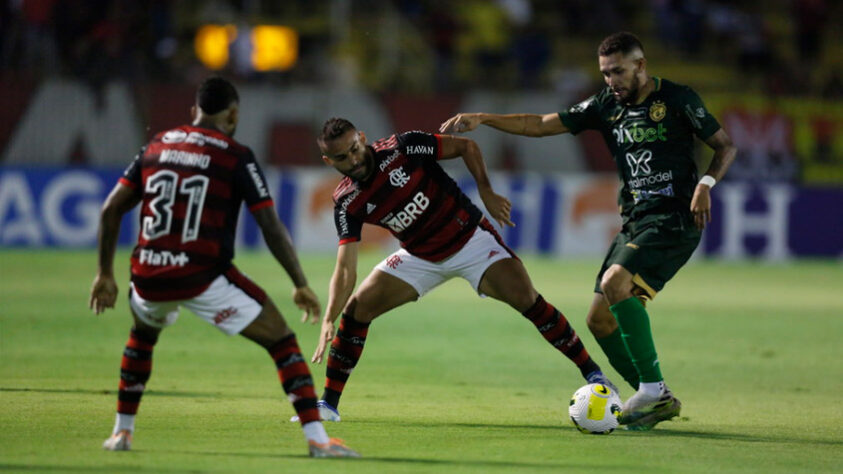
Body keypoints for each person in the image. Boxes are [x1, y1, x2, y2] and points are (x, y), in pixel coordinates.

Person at [440, 31, 737, 431]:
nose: (611, 80)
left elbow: (725, 147)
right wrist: (485, 119)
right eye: (605, 73)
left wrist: (706, 185)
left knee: (616, 282)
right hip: (635, 220)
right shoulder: (604, 106)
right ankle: (654, 395)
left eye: (618, 71)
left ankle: (651, 389)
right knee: (599, 320)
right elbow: (541, 124)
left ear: (641, 66)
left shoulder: (678, 99)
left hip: (673, 218)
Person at [88, 77, 359, 458]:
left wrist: (104, 274)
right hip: (201, 275)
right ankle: (318, 441)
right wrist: (299, 282)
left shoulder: (157, 144)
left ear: (193, 112)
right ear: (233, 113)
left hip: (147, 274)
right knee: (282, 341)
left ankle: (121, 433)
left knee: (142, 336)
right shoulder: (234, 154)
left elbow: (110, 209)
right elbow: (269, 225)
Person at [294, 117, 616, 423]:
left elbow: (466, 147)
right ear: (329, 161)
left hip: (470, 240)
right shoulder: (347, 201)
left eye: (354, 149)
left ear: (362, 138)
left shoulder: (402, 148)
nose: (353, 160)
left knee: (528, 300)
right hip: (418, 256)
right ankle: (329, 406)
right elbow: (346, 266)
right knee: (355, 313)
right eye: (342, 157)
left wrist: (486, 190)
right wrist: (328, 318)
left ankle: (593, 373)